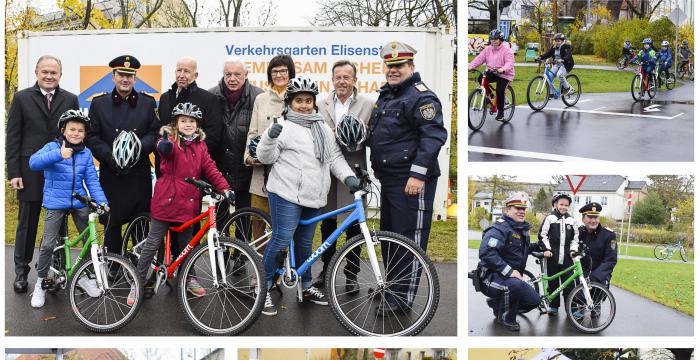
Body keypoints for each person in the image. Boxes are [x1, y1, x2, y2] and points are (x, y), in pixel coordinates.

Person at [256, 76, 362, 316]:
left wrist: (348, 178)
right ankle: (263, 288)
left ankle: (305, 286)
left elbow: (334, 158)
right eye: (298, 101)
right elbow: (265, 158)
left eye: (308, 101)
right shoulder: (282, 126)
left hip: (314, 195)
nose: (304, 105)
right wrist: (270, 137)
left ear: (314, 103)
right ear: (290, 103)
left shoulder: (321, 127)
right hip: (285, 193)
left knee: (305, 244)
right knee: (282, 239)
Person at [368, 41, 447, 315]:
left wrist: (417, 175)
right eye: (390, 66)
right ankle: (391, 287)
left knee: (409, 240)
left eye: (399, 65)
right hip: (390, 179)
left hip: (411, 181)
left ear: (411, 66)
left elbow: (433, 136)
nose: (393, 70)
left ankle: (402, 299)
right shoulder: (389, 95)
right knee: (391, 239)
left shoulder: (421, 96)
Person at [130, 102, 233, 305]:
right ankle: (137, 281)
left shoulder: (200, 145)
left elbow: (210, 168)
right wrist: (165, 146)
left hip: (188, 204)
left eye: (192, 121)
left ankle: (189, 277)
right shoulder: (168, 140)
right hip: (166, 202)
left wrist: (225, 188)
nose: (188, 124)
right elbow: (163, 152)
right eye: (183, 120)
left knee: (187, 244)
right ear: (176, 123)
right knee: (152, 243)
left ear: (197, 124)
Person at [6, 55, 80, 293]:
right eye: (45, 72)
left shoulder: (70, 99)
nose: (49, 76)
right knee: (27, 224)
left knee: (57, 224)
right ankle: (21, 272)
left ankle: (56, 271)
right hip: (30, 172)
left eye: (54, 72)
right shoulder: (21, 98)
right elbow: (13, 138)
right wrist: (14, 172)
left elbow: (75, 137)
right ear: (37, 73)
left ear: (60, 75)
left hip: (59, 172)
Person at [28, 110, 109, 308]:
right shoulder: (52, 147)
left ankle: (84, 277)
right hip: (55, 202)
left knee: (90, 241)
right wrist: (58, 154)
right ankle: (40, 282)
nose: (76, 133)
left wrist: (102, 201)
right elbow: (33, 163)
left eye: (80, 130)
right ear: (63, 130)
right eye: (72, 129)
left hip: (78, 201)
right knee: (48, 244)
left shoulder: (86, 152)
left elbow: (91, 180)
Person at [85, 55, 160, 255]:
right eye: (121, 75)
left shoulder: (147, 102)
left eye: (129, 75)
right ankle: (113, 266)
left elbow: (155, 133)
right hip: (112, 173)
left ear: (135, 78)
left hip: (138, 174)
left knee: (141, 225)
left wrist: (138, 148)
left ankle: (141, 269)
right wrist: (109, 156)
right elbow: (91, 137)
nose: (125, 79)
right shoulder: (99, 104)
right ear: (113, 76)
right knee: (112, 224)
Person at [312, 60, 374, 291]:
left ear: (355, 80)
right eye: (338, 77)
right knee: (327, 223)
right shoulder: (320, 104)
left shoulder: (368, 104)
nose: (342, 81)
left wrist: (361, 134)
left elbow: (374, 136)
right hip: (327, 171)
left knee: (354, 226)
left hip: (354, 170)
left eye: (347, 77)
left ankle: (351, 275)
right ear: (332, 80)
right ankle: (326, 271)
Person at [208, 58, 263, 225]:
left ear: (246, 75)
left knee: (244, 218)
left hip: (246, 170)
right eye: (228, 74)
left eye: (237, 74)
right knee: (219, 219)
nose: (232, 79)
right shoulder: (210, 96)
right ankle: (221, 251)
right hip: (218, 170)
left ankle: (241, 251)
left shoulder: (258, 96)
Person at [477, 193, 542, 331]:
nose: (521, 211)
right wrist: (510, 271)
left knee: (534, 301)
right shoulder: (499, 229)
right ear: (507, 210)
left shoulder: (520, 229)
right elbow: (486, 253)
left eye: (523, 209)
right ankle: (506, 319)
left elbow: (519, 249)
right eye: (517, 208)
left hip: (510, 280)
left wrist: (538, 247)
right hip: (490, 277)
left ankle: (497, 304)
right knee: (515, 285)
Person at [244, 54, 295, 218]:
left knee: (284, 222)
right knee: (259, 219)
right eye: (274, 71)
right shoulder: (261, 99)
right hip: (261, 170)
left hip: (288, 171)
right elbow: (253, 132)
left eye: (283, 71)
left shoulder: (298, 98)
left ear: (290, 73)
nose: (279, 75)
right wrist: (248, 156)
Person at [158, 57, 223, 158]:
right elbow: (159, 130)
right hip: (166, 164)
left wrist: (189, 156)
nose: (182, 75)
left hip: (194, 165)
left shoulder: (209, 99)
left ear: (195, 75)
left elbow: (213, 135)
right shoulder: (165, 97)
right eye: (179, 70)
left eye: (187, 71)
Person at [537, 192, 578, 315]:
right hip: (552, 257)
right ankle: (553, 307)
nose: (564, 207)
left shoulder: (571, 220)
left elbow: (575, 239)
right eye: (561, 204)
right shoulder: (550, 218)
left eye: (566, 205)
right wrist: (547, 249)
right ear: (555, 204)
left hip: (567, 258)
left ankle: (572, 309)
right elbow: (542, 235)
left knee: (569, 284)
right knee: (553, 283)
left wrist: (573, 250)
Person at [467, 29, 515, 121]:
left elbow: (510, 62)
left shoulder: (506, 50)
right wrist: (470, 66)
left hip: (505, 74)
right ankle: (491, 97)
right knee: (481, 78)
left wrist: (502, 69)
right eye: (492, 39)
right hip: (492, 72)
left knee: (500, 90)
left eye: (496, 39)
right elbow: (479, 58)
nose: (493, 41)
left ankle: (501, 112)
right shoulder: (488, 49)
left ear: (500, 40)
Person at [572, 202, 617, 288]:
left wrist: (594, 277)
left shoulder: (609, 235)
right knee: (575, 299)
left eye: (596, 217)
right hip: (580, 278)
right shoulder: (578, 233)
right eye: (590, 217)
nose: (593, 220)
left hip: (599, 279)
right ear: (583, 219)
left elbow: (610, 260)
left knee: (593, 300)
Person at [536, 33, 575, 97]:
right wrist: (540, 57)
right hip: (557, 64)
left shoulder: (566, 46)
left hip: (566, 64)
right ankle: (551, 93)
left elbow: (568, 55)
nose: (557, 43)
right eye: (556, 41)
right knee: (548, 76)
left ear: (562, 41)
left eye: (558, 41)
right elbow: (548, 54)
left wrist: (563, 59)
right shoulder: (554, 47)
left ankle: (568, 88)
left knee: (559, 75)